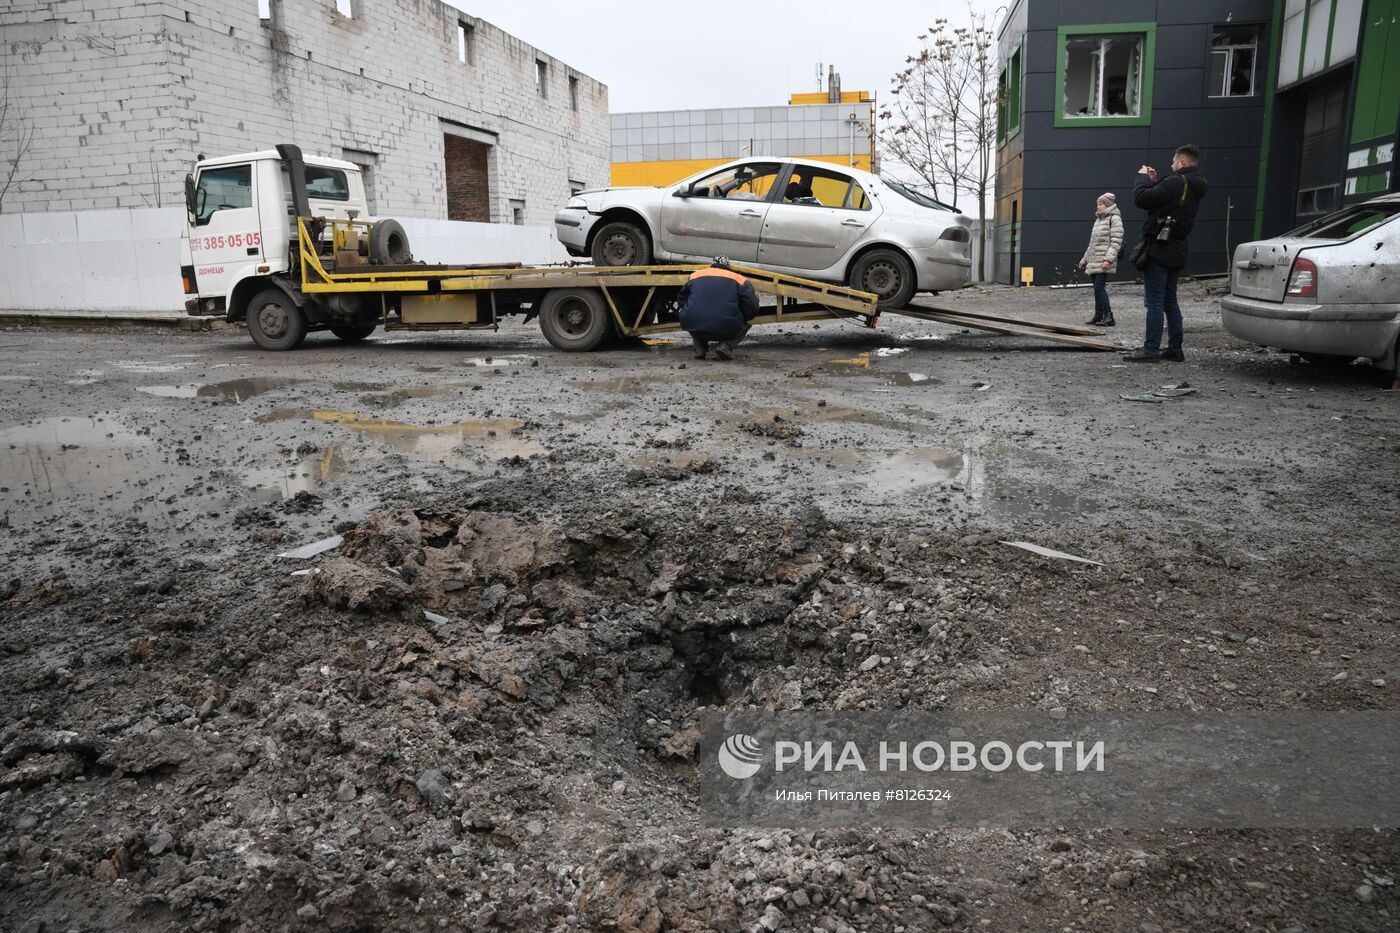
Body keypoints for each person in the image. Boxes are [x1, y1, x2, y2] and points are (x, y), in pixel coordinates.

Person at [1125, 144, 1209, 362]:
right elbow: (1168, 201)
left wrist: (1141, 179)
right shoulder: (1195, 185)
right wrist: (1156, 184)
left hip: (1160, 248)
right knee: (1170, 301)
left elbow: (1142, 199)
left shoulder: (1175, 181)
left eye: (1173, 161)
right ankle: (1175, 348)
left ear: (1181, 162)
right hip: (1178, 247)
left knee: (1153, 302)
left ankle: (1150, 350)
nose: (1171, 165)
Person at [678, 257, 759, 361]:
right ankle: (725, 346)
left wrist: (686, 311)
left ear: (713, 265)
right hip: (726, 326)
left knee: (694, 318)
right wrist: (742, 316)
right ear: (728, 266)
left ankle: (700, 348)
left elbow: (681, 299)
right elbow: (752, 306)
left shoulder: (695, 275)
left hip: (695, 323)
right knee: (745, 326)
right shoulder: (739, 279)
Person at [1076, 192, 1123, 327]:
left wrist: (1108, 259)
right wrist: (1084, 260)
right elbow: (1092, 244)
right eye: (1097, 204)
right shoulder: (1099, 220)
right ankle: (1098, 315)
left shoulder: (1114, 219)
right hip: (1094, 260)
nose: (1098, 206)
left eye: (1100, 204)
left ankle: (1109, 316)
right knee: (1097, 288)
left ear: (1107, 205)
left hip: (1104, 260)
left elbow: (1116, 241)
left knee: (1099, 287)